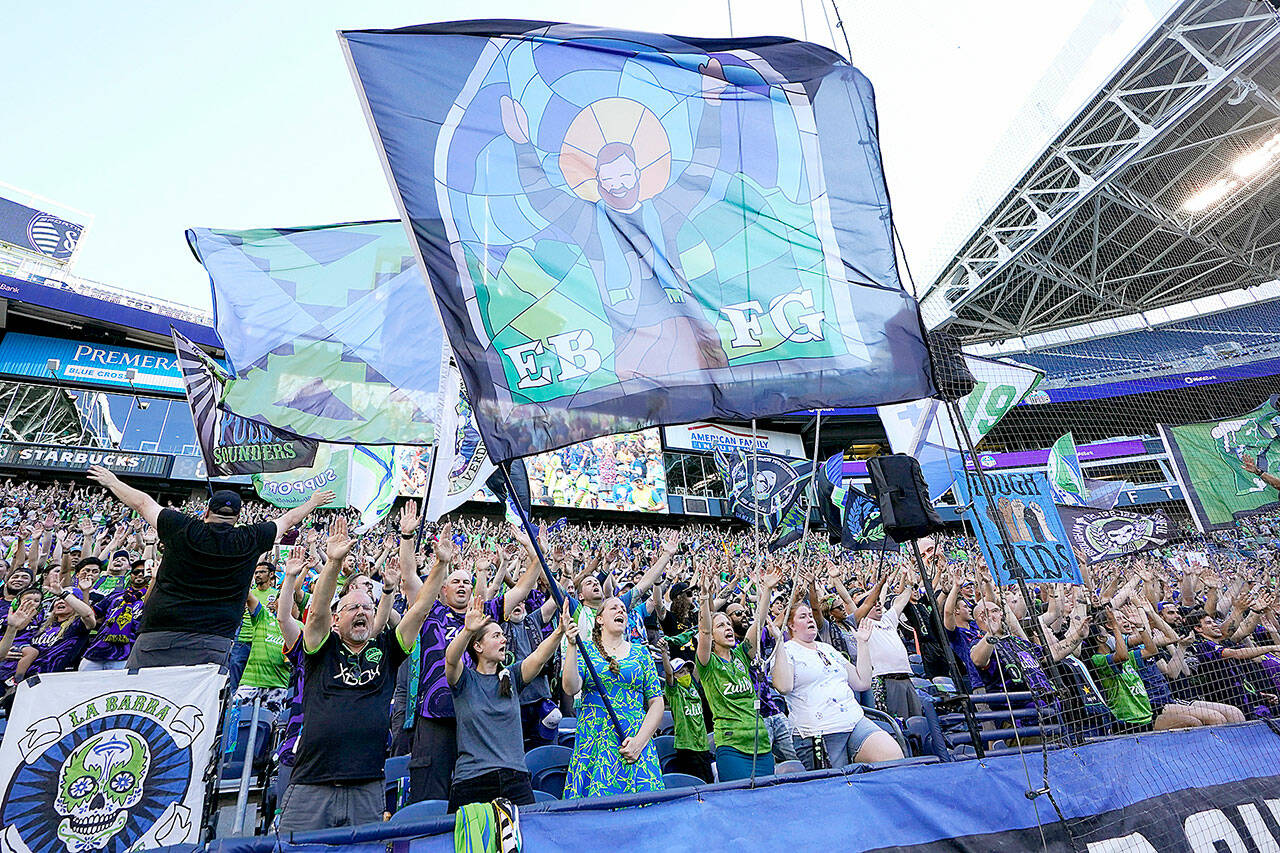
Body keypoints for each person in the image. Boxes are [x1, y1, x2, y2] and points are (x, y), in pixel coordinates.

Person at [276, 517, 435, 832]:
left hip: (366, 786)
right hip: (312, 784)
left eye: (368, 607)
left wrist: (441, 564)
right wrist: (333, 561)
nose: (362, 611)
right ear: (337, 619)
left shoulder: (386, 652)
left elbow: (419, 610)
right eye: (353, 608)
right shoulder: (321, 649)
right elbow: (317, 611)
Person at [86, 465, 333, 668]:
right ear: (238, 517)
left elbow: (142, 503)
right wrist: (313, 501)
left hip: (159, 632)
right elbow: (288, 519)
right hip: (215, 638)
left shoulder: (182, 526)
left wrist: (112, 481)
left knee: (145, 704)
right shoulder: (250, 537)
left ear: (206, 512)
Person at [444, 592, 566, 811]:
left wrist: (559, 632)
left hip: (514, 778)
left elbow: (538, 657)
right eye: (496, 636)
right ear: (478, 647)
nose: (504, 640)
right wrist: (468, 630)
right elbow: (451, 659)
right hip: (472, 780)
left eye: (503, 635)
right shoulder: (464, 680)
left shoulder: (510, 677)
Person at [773, 603, 903, 769]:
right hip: (818, 731)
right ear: (791, 625)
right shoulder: (786, 650)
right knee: (838, 786)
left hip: (854, 721)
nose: (810, 619)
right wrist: (778, 644)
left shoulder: (827, 649)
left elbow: (862, 682)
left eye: (810, 616)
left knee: (892, 756)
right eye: (802, 616)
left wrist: (862, 643)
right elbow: (783, 687)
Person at [562, 597, 665, 798]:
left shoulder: (641, 653)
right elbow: (570, 687)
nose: (621, 611)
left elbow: (656, 702)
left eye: (624, 609)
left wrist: (639, 742)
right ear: (599, 619)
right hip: (595, 742)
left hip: (635, 741)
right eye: (614, 608)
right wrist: (572, 645)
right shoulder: (586, 651)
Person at [695, 563, 780, 781]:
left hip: (761, 743)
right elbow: (703, 630)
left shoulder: (742, 654)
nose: (728, 628)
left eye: (728, 624)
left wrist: (767, 589)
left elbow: (758, 622)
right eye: (721, 626)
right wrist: (704, 597)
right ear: (712, 636)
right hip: (732, 748)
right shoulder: (707, 664)